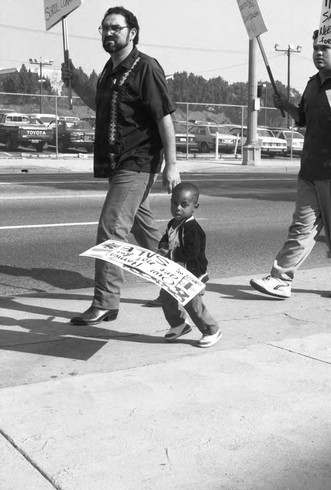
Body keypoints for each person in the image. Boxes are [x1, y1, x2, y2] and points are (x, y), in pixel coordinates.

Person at [61, 6, 180, 325]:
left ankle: (105, 302)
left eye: (116, 27)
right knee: (146, 232)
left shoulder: (146, 68)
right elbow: (100, 105)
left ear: (132, 32)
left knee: (111, 228)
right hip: (117, 164)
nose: (109, 33)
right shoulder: (110, 70)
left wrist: (172, 164)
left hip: (137, 162)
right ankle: (177, 283)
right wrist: (75, 83)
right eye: (105, 28)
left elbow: (163, 116)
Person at [250, 29, 331, 299]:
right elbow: (304, 118)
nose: (319, 53)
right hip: (310, 169)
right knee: (301, 227)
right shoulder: (311, 84)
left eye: (326, 48)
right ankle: (281, 279)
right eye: (316, 48)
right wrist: (286, 105)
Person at [158, 181, 222, 348]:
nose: (178, 208)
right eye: (174, 203)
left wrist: (171, 254)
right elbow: (167, 237)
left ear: (195, 207)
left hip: (192, 274)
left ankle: (211, 330)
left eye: (184, 205)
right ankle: (179, 324)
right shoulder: (173, 223)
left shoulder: (193, 228)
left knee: (193, 305)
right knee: (166, 297)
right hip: (176, 272)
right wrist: (163, 245)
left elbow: (192, 253)